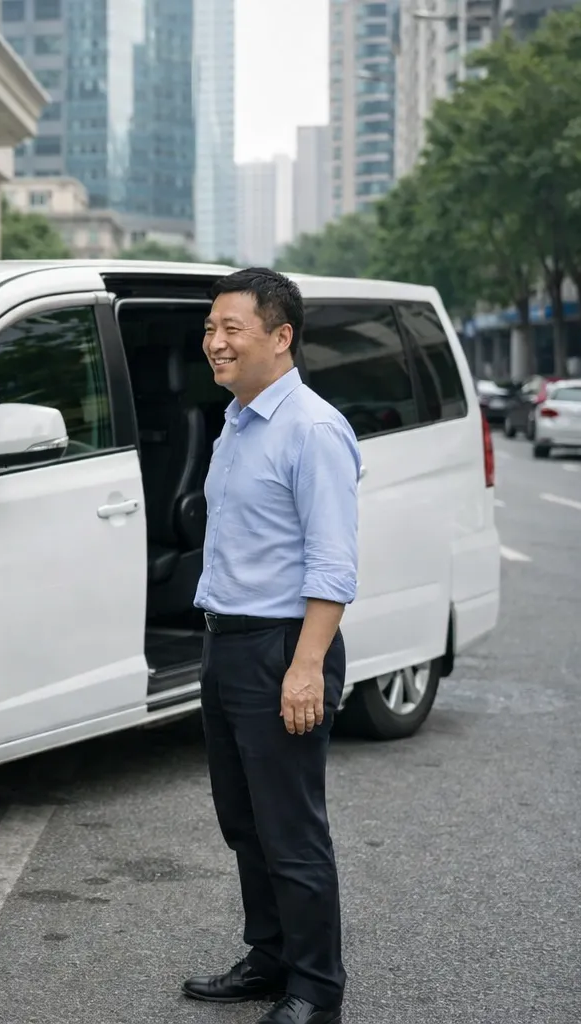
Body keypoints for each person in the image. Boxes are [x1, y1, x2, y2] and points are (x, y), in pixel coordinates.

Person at [180, 268, 360, 1024]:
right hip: (228, 644)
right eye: (212, 329)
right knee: (244, 820)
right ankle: (271, 956)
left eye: (233, 330)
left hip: (284, 648)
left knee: (292, 830)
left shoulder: (311, 429)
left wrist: (306, 667)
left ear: (281, 338)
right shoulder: (239, 417)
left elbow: (332, 565)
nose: (216, 342)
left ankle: (317, 989)